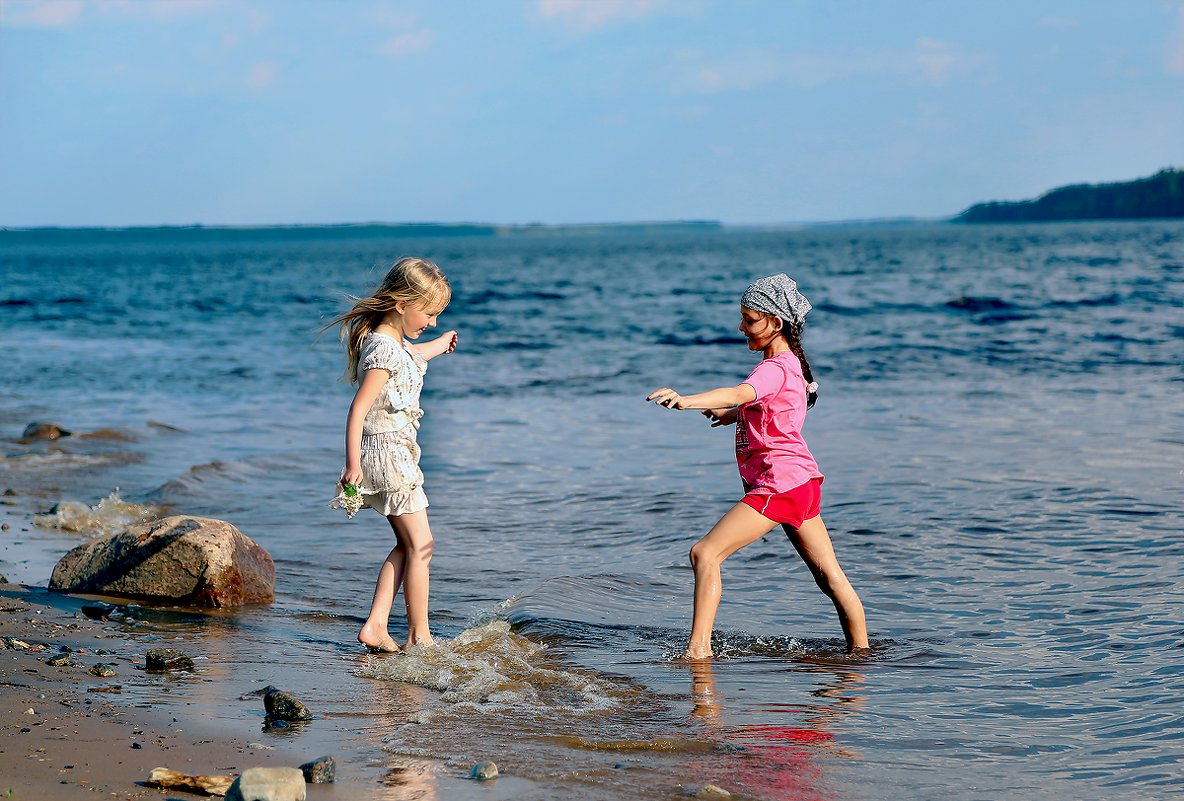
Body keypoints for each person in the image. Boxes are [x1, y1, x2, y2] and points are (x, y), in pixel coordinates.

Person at [647, 273, 869, 658]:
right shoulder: (792, 366)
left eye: (749, 319)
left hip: (778, 484)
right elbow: (773, 408)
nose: (741, 327)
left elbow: (741, 391)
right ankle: (862, 655)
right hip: (801, 482)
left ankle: (698, 653)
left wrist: (686, 400)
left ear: (775, 322)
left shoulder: (773, 368)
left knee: (705, 554)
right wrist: (734, 414)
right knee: (830, 578)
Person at [327, 257, 458, 653]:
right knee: (422, 546)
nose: (432, 322)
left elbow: (411, 358)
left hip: (393, 455)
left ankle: (376, 625)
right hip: (388, 457)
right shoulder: (383, 349)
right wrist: (352, 465)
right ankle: (420, 637)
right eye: (430, 314)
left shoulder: (392, 343)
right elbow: (359, 409)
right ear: (402, 304)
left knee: (408, 545)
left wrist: (437, 346)